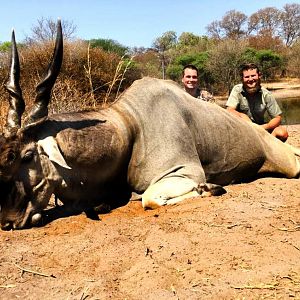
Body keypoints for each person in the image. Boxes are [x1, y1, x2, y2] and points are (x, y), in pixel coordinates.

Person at [226, 63, 288, 142]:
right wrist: (244, 117)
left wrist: (263, 127)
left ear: (259, 76)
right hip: (242, 128)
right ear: (242, 78)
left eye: (253, 75)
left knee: (282, 133)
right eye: (247, 77)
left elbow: (277, 118)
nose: (250, 79)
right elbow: (229, 110)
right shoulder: (237, 90)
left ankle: (268, 144)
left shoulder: (266, 94)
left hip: (261, 128)